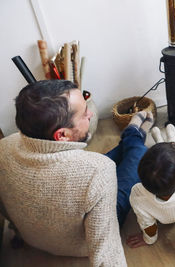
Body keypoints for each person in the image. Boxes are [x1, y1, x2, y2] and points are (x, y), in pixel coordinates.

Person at [0, 80, 127, 266]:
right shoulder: (98, 171)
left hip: (31, 238)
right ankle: (135, 135)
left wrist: (17, 229)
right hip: (80, 247)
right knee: (134, 164)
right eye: (84, 114)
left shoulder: (4, 146)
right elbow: (106, 253)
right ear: (62, 135)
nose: (90, 114)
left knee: (114, 159)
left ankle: (131, 139)